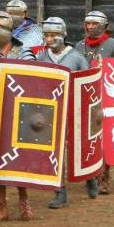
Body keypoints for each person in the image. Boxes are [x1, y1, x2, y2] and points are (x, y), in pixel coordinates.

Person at [0, 11, 37, 222]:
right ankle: (2, 208)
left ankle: (25, 203)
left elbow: (36, 83)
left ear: (7, 30)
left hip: (19, 115)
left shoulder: (25, 53)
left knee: (20, 160)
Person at [36, 16, 95, 208]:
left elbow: (87, 85)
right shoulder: (42, 57)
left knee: (81, 145)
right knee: (57, 150)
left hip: (74, 109)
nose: (49, 39)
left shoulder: (76, 57)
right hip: (50, 110)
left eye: (53, 35)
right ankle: (60, 192)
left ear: (63, 35)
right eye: (46, 35)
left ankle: (90, 177)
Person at [74, 10, 114, 193]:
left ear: (104, 26)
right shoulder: (79, 45)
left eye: (94, 24)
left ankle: (104, 176)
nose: (90, 27)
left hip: (106, 97)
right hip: (85, 95)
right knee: (85, 137)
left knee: (104, 138)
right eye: (88, 24)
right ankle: (91, 173)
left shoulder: (113, 44)